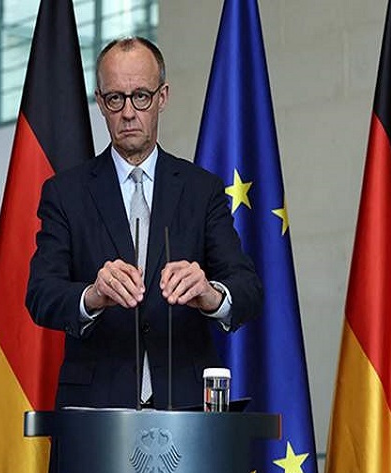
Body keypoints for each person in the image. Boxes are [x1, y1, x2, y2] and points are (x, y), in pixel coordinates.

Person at [26, 36, 262, 410]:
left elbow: (248, 289)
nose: (128, 112)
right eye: (115, 98)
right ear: (100, 102)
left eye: (141, 96)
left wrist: (210, 293)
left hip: (187, 408)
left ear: (162, 97)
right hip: (96, 411)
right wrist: (92, 295)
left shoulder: (202, 189)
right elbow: (40, 295)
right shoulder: (64, 193)